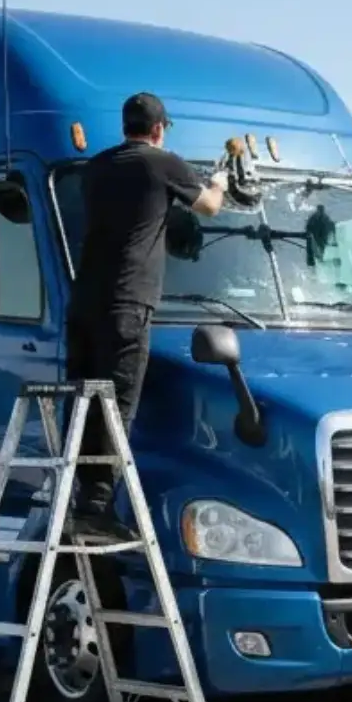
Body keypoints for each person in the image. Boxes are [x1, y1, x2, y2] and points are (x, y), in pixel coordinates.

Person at [65, 92, 229, 537]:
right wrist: (217, 183)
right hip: (127, 301)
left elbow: (133, 212)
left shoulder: (96, 168)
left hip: (83, 304)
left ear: (125, 126)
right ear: (158, 129)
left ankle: (69, 497)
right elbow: (210, 208)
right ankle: (96, 508)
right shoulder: (163, 163)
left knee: (82, 401)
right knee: (116, 404)